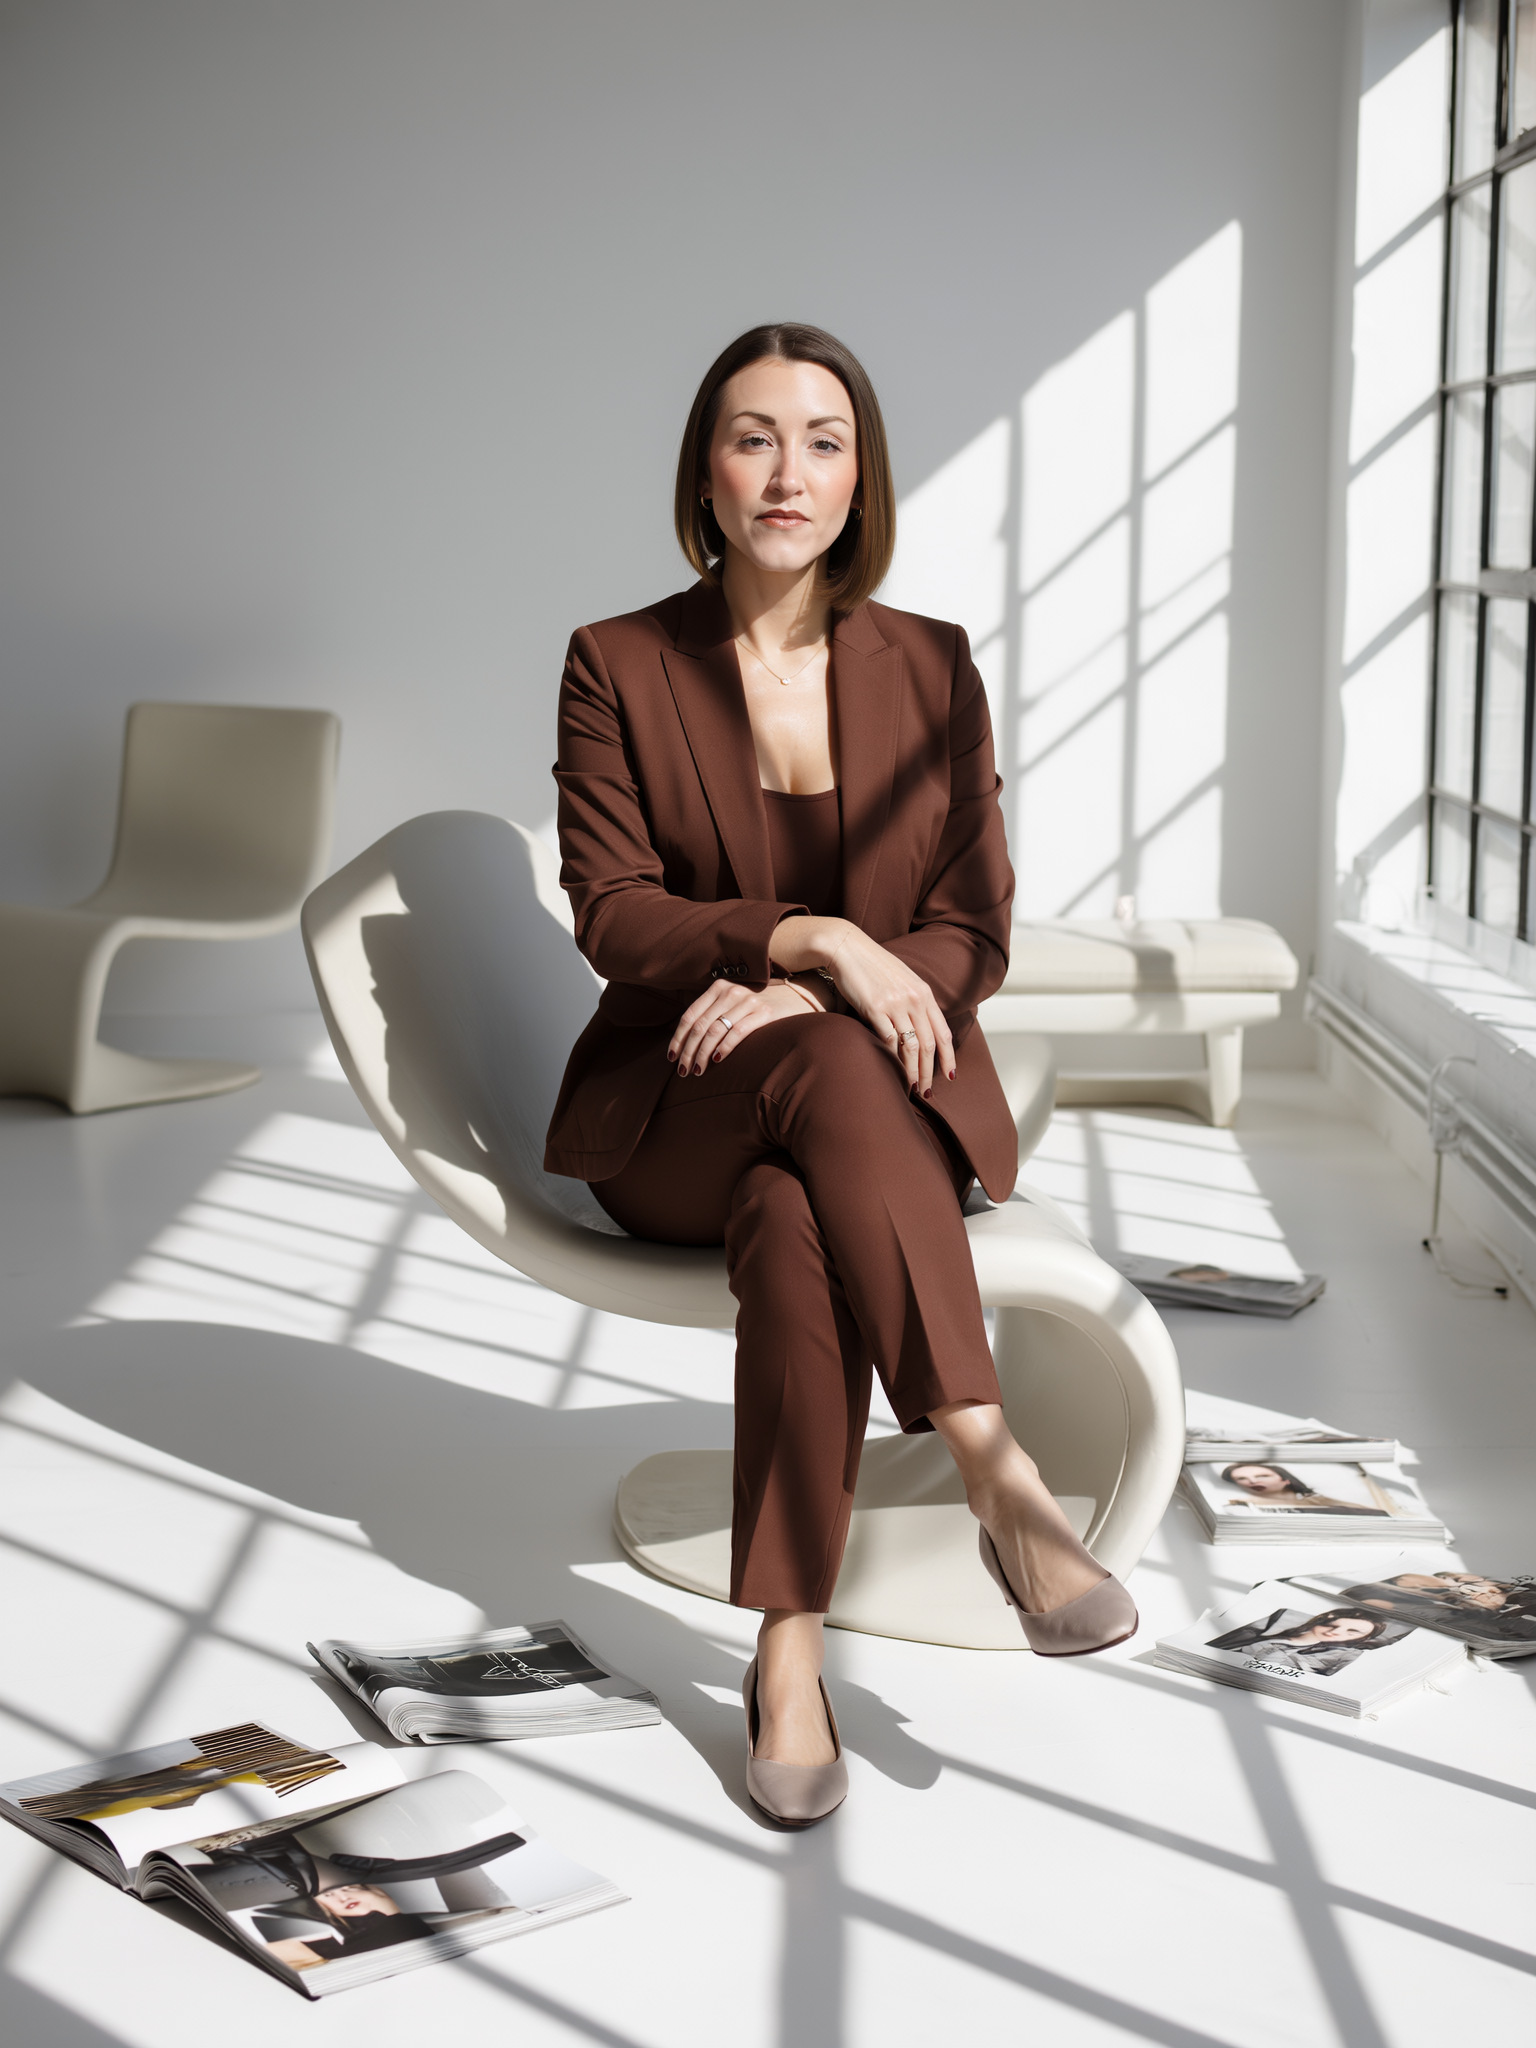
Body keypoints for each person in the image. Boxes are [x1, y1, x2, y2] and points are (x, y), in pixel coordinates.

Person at [544, 322, 1136, 1827]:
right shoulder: (618, 663)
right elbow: (614, 911)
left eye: (822, 439)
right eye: (752, 436)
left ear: (860, 473)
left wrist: (865, 986)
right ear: (705, 468)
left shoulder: (931, 667)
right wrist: (812, 942)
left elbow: (973, 927)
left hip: (862, 1121)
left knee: (796, 1226)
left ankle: (787, 1646)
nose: (786, 471)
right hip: (680, 1104)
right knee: (810, 1054)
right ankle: (995, 1463)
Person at [1207, 1606, 1391, 1677]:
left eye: (1353, 1632)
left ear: (1363, 1638)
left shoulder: (1340, 1657)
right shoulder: (1252, 1633)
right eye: (1333, 1624)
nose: (1335, 1632)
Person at [1220, 1462, 1388, 1516]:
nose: (1251, 1481)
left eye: (1262, 1476)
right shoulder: (1241, 1505)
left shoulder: (1321, 1500)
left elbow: (1374, 1515)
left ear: (1285, 1479)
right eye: (1241, 1479)